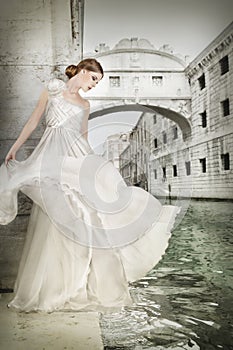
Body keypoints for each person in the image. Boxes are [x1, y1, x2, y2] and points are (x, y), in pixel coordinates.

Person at [0, 58, 181, 313]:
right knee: (54, 217)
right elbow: (33, 122)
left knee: (88, 215)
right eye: (94, 78)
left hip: (77, 156)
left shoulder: (85, 104)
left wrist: (93, 166)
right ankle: (53, 288)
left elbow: (83, 135)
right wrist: (15, 148)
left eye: (98, 82)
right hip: (51, 155)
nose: (95, 85)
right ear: (84, 71)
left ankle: (78, 284)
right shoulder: (52, 89)